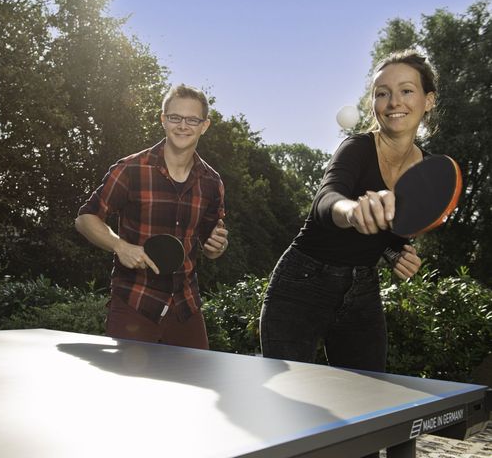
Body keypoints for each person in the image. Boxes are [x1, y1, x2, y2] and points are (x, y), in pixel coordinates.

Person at [260, 49, 437, 373]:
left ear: (428, 100)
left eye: (406, 91)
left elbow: (392, 230)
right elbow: (326, 199)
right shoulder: (356, 147)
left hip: (362, 287)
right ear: (374, 104)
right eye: (382, 93)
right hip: (301, 282)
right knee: (286, 402)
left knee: (367, 397)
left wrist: (395, 252)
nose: (394, 101)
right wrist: (353, 211)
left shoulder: (426, 170)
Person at [75, 84, 229, 350]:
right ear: (163, 119)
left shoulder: (212, 182)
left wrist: (217, 247)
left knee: (197, 388)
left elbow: (209, 244)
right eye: (175, 117)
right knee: (129, 390)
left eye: (192, 119)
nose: (183, 126)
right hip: (135, 302)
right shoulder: (131, 169)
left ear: (204, 125)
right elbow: (86, 218)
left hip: (186, 307)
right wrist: (119, 246)